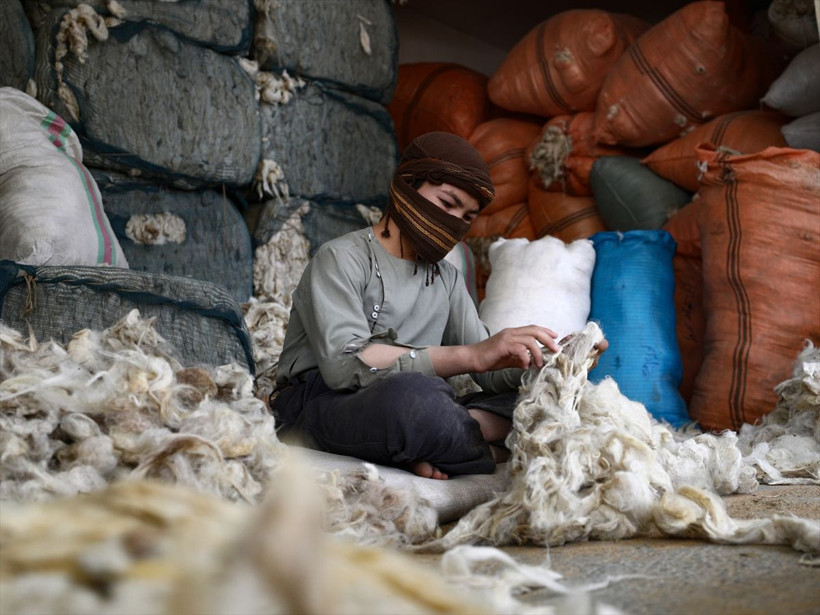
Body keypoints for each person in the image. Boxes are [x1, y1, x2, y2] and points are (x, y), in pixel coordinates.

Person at [270, 131, 606, 480]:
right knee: (414, 403)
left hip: (423, 401)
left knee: (540, 401)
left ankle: (444, 439)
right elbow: (343, 367)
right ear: (405, 186)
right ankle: (486, 446)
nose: (454, 222)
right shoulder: (342, 258)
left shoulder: (445, 278)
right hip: (321, 403)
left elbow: (489, 374)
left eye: (466, 217)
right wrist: (472, 355)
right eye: (447, 204)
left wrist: (554, 361)